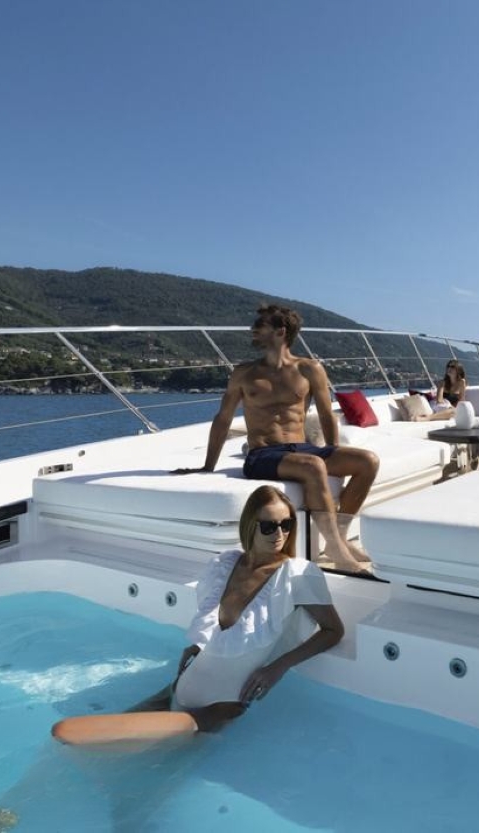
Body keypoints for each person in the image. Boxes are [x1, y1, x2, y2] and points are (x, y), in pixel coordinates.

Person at [51, 486, 345, 747]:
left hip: (215, 711)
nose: (279, 534)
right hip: (178, 688)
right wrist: (199, 645)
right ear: (250, 526)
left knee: (84, 741)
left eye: (286, 524)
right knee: (81, 751)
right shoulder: (226, 565)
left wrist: (277, 668)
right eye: (269, 526)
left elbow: (333, 630)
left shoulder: (296, 575)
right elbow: (222, 630)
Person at [173, 304, 378, 571]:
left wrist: (333, 451)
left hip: (302, 448)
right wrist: (207, 466)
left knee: (367, 461)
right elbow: (223, 419)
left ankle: (338, 537)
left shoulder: (309, 369)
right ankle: (338, 551)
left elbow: (327, 414)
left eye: (260, 325)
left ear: (281, 332)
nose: (253, 329)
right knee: (313, 465)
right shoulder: (244, 373)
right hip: (262, 454)